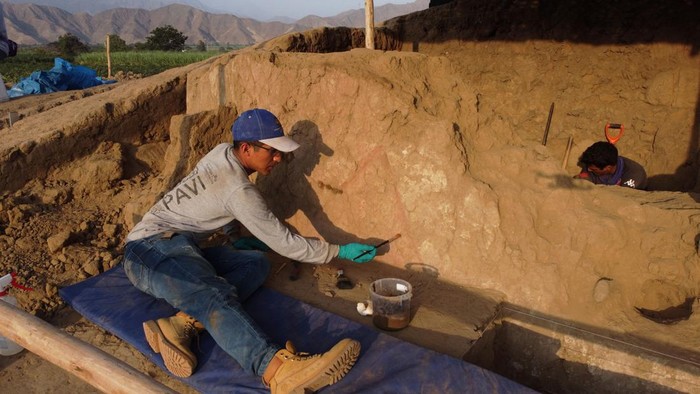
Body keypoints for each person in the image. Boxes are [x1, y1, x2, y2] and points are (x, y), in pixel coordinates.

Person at [122, 108, 378, 393]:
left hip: (177, 247)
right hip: (149, 253)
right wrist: (339, 251)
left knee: (255, 263)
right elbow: (286, 243)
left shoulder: (222, 152)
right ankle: (279, 372)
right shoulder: (240, 192)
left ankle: (179, 326)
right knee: (211, 294)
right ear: (246, 148)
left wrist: (233, 236)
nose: (279, 158)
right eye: (273, 151)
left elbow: (214, 198)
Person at [574, 141, 647, 189]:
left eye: (594, 170)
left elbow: (622, 197)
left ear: (608, 168)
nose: (589, 170)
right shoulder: (592, 164)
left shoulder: (635, 174)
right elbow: (583, 180)